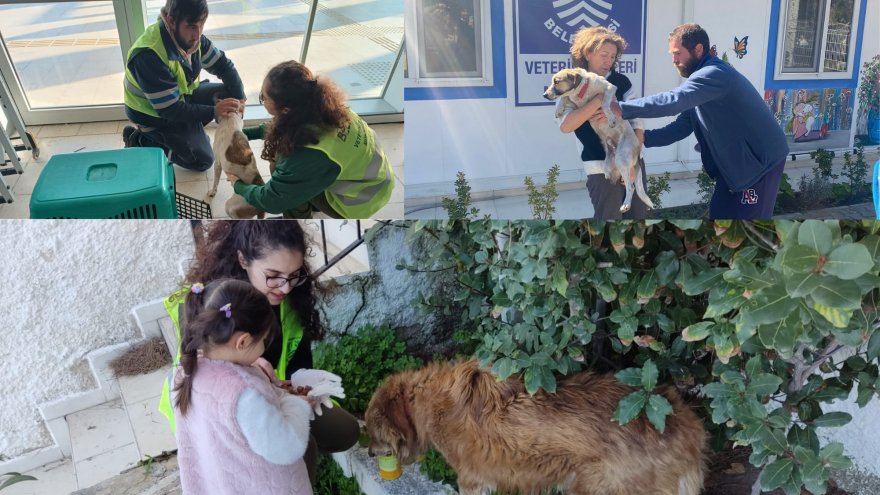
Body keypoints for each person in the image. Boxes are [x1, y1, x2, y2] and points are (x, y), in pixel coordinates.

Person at [159, 220, 360, 485]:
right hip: (210, 414)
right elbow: (207, 365)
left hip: (269, 396)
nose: (286, 288)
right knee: (296, 450)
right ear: (243, 260)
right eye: (273, 275)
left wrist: (291, 389)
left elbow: (298, 362)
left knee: (342, 432)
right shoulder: (211, 303)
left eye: (294, 275)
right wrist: (253, 371)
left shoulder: (293, 300)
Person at [173, 278, 342, 494]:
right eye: (263, 339)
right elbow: (286, 446)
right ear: (242, 342)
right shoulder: (243, 394)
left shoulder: (186, 371)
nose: (264, 346)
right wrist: (298, 405)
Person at [612, 23, 789, 219]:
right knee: (720, 215)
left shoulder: (715, 74)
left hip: (758, 164)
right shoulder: (702, 84)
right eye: (672, 54)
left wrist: (620, 108)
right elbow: (681, 127)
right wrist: (641, 138)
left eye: (678, 53)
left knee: (745, 225)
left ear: (698, 49)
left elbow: (674, 101)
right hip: (736, 165)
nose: (674, 60)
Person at [225, 61, 395, 219]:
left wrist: (238, 185)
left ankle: (299, 218)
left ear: (285, 109)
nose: (262, 100)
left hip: (360, 200)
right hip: (378, 178)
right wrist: (242, 133)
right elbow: (281, 126)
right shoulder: (326, 108)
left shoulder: (310, 156)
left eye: (264, 98)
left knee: (286, 184)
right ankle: (310, 204)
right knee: (281, 165)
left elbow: (273, 201)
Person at [122, 0, 245, 171]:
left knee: (228, 96)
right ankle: (141, 141)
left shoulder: (193, 38)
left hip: (179, 99)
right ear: (171, 20)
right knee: (203, 160)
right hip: (153, 115)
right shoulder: (149, 55)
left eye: (202, 24)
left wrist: (240, 96)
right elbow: (170, 110)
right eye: (193, 26)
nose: (198, 33)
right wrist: (214, 111)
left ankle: (186, 133)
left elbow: (224, 66)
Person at [557, 26, 649, 219]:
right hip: (600, 166)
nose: (609, 61)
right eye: (604, 55)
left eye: (613, 56)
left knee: (638, 218)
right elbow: (566, 125)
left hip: (630, 159)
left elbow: (638, 123)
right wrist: (600, 99)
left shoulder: (622, 82)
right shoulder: (572, 82)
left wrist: (633, 162)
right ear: (588, 53)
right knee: (609, 220)